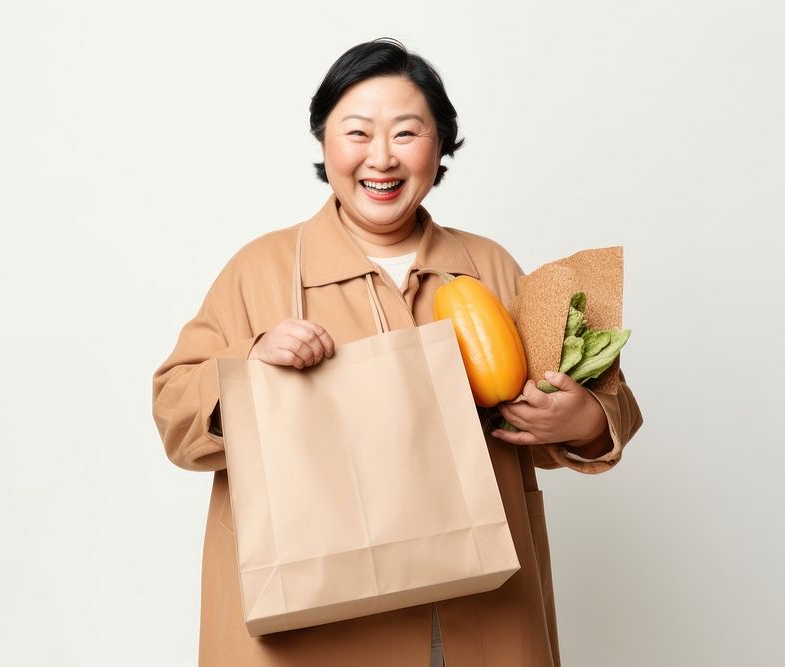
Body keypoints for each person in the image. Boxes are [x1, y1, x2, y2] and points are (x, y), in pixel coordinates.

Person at [152, 38, 643, 667]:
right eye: (356, 132)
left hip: (472, 614)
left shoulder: (488, 266)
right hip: (313, 629)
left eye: (406, 133)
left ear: (440, 147)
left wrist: (585, 421)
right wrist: (252, 366)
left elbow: (602, 398)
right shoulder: (262, 270)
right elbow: (174, 412)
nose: (380, 158)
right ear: (324, 143)